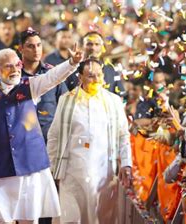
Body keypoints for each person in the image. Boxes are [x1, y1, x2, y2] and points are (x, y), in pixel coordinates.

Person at [0, 46, 83, 223]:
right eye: (8, 66)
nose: (15, 70)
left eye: (17, 65)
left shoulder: (29, 86)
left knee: (29, 218)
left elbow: (52, 77)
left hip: (29, 166)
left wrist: (72, 63)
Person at [47, 59, 132, 223]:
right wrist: (52, 168)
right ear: (80, 77)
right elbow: (54, 136)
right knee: (70, 217)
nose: (97, 80)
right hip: (72, 172)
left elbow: (123, 135)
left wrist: (127, 163)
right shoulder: (66, 100)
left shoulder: (113, 101)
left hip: (104, 174)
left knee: (100, 218)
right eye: (91, 76)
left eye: (99, 75)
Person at [19, 29, 68, 141]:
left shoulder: (52, 74)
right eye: (30, 46)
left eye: (38, 45)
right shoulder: (14, 76)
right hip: (22, 140)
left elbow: (65, 104)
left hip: (50, 140)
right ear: (20, 49)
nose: (36, 50)